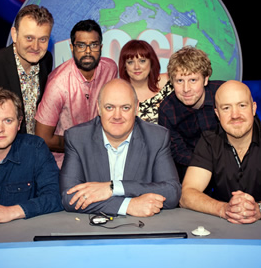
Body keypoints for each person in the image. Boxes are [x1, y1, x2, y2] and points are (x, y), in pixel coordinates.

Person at [60, 79, 181, 217]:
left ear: (136, 108)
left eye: (125, 108)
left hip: (142, 230)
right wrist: (128, 205)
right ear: (99, 108)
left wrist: (114, 187)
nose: (117, 116)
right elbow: (69, 197)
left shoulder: (157, 137)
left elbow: (172, 193)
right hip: (93, 230)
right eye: (109, 107)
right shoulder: (77, 138)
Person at [180, 80, 261, 224]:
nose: (235, 115)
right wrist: (224, 209)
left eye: (242, 105)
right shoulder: (209, 141)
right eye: (226, 108)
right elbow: (186, 195)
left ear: (253, 108)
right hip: (224, 228)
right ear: (217, 113)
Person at [0, 87, 63, 226]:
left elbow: (56, 196)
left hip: (23, 238)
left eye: (8, 120)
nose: (0, 129)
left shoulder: (35, 149)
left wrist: (11, 212)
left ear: (19, 123)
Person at [35, 19, 117, 168]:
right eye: (81, 45)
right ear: (72, 48)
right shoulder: (58, 84)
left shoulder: (110, 69)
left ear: (101, 47)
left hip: (102, 158)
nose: (87, 51)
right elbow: (43, 138)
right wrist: (83, 143)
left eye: (93, 45)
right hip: (65, 162)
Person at [0, 4, 54, 135]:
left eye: (43, 39)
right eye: (29, 38)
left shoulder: (46, 60)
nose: (35, 46)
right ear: (14, 35)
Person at [158, 46, 223, 181]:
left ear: (205, 80)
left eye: (193, 80)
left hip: (228, 162)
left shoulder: (223, 93)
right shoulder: (167, 109)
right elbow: (177, 151)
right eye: (180, 81)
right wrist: (207, 166)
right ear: (172, 82)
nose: (186, 89)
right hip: (191, 167)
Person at [119, 40, 173, 124]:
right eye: (130, 62)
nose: (136, 67)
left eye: (142, 61)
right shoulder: (119, 95)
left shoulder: (168, 82)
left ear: (151, 62)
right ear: (125, 66)